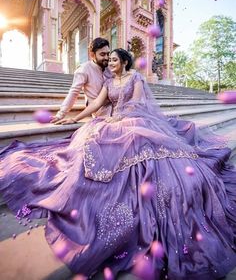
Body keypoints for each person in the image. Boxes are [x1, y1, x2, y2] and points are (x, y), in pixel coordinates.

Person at [0, 48, 236, 280]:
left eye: (113, 59)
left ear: (124, 62)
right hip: (112, 120)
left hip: (135, 120)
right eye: (109, 59)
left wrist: (120, 117)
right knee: (89, 142)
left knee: (134, 139)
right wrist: (74, 117)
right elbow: (96, 104)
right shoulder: (109, 80)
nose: (109, 63)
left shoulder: (135, 78)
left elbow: (136, 104)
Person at [51, 37, 112, 123]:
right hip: (100, 111)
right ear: (92, 55)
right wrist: (60, 114)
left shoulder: (109, 67)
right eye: (102, 54)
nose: (106, 57)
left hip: (116, 108)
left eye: (108, 54)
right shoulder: (84, 69)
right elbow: (74, 92)